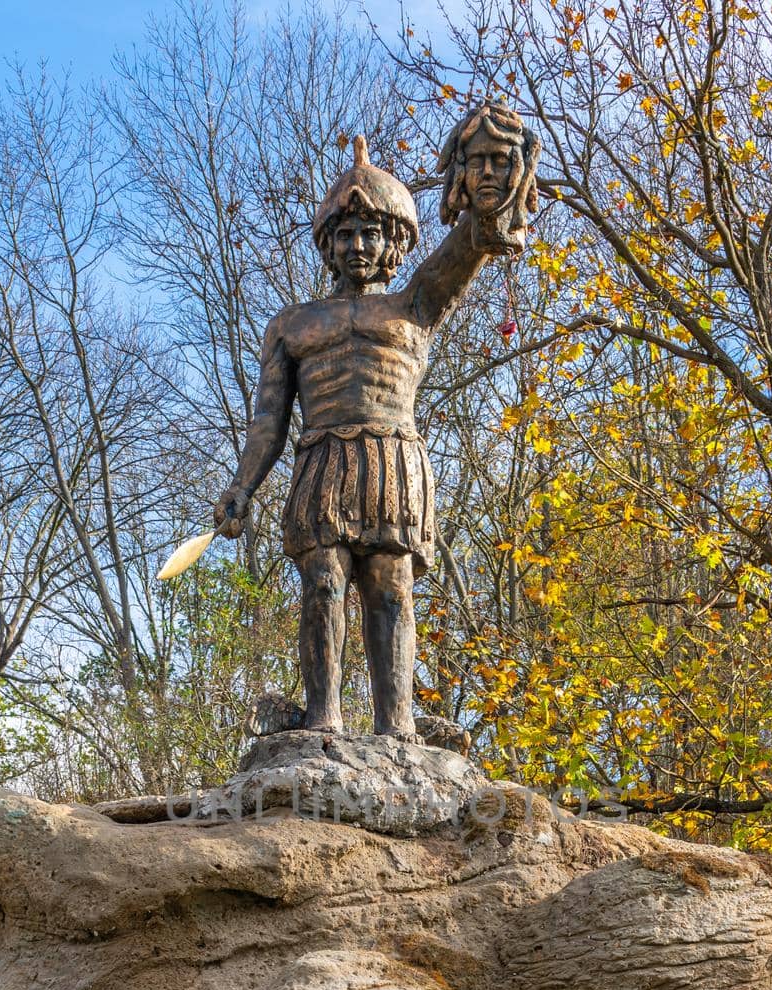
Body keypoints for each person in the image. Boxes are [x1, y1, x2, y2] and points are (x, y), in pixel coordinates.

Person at [212, 110, 538, 736]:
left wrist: (489, 173)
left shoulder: (414, 304)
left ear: (395, 241)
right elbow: (267, 420)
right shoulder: (293, 324)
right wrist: (243, 485)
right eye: (346, 234)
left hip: (393, 461)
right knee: (323, 587)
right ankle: (323, 719)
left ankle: (399, 727)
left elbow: (471, 240)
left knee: (391, 590)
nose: (358, 246)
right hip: (321, 462)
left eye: (371, 233)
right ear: (328, 243)